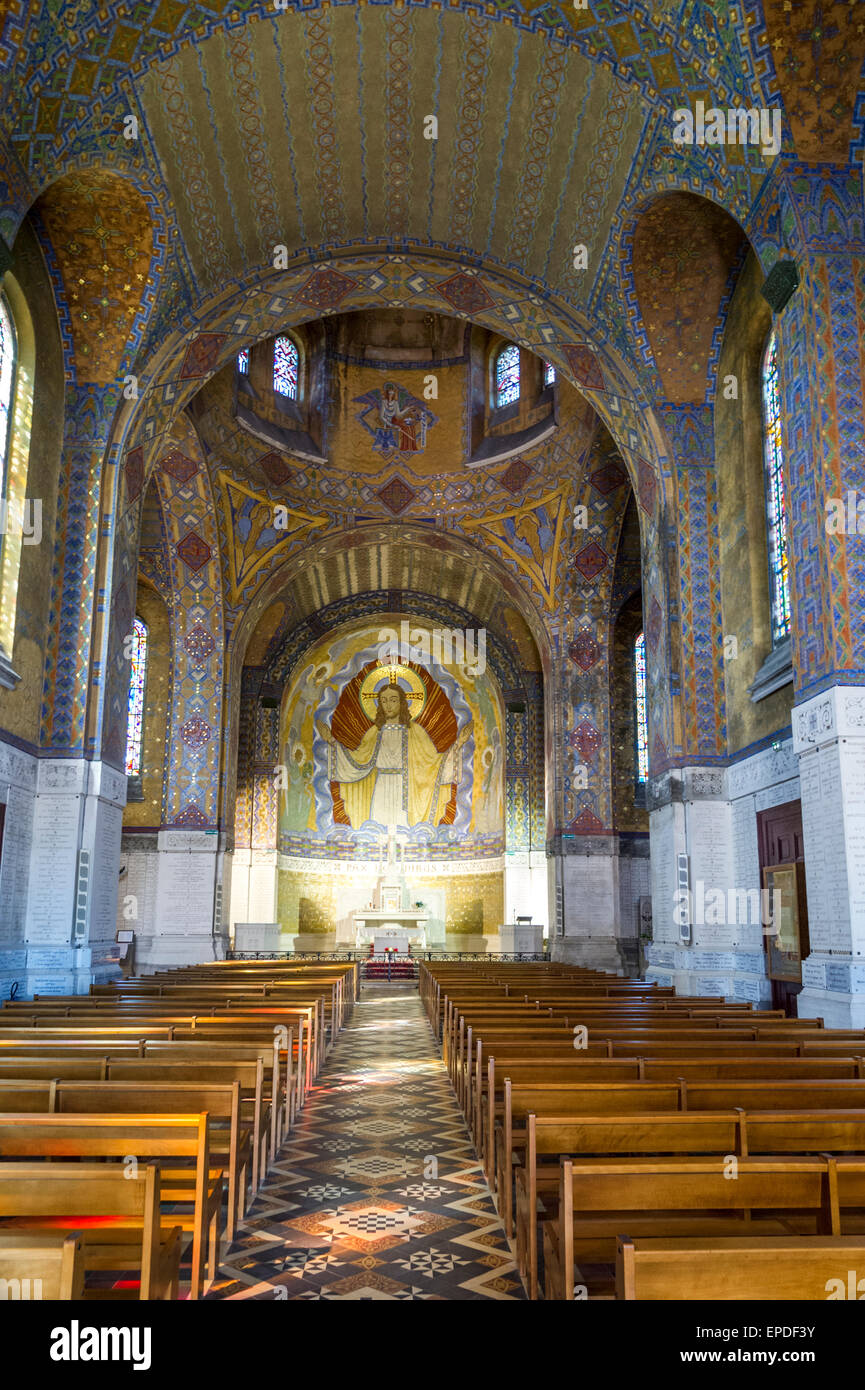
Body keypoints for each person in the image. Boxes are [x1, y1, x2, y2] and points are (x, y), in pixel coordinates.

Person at [316, 685, 471, 829]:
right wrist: (331, 741)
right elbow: (357, 761)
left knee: (404, 828)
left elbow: (433, 764)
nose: (388, 705)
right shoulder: (374, 733)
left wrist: (458, 744)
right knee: (378, 827)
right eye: (383, 701)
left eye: (393, 700)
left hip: (406, 790)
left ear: (402, 703)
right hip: (381, 787)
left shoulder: (415, 731)